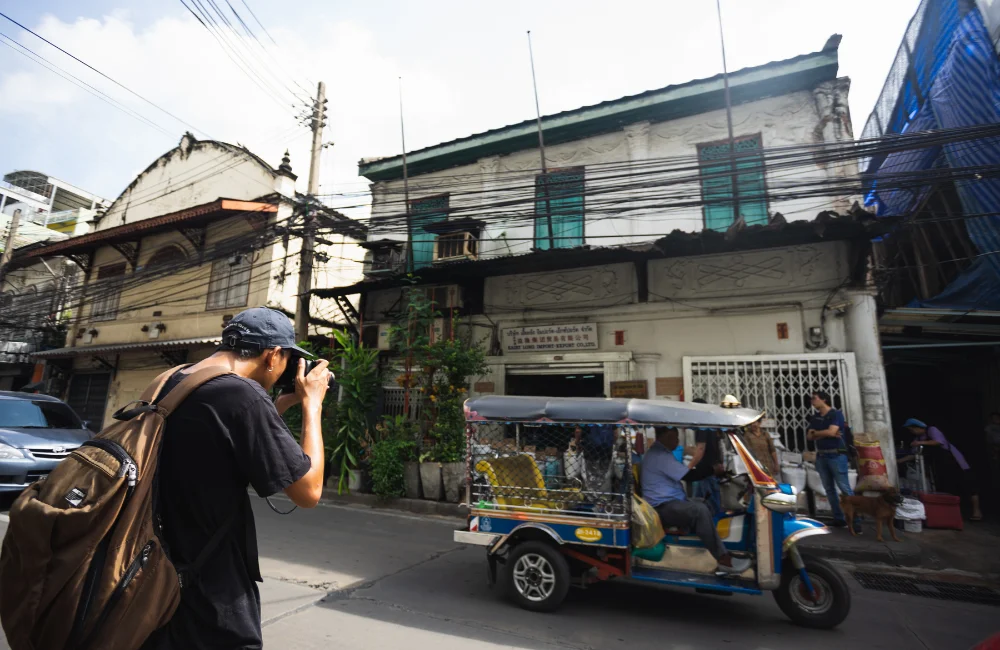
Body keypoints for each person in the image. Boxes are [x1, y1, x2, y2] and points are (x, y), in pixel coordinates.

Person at [142, 307, 332, 650]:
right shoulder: (243, 395)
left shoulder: (176, 379)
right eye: (288, 358)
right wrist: (312, 407)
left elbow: (223, 433)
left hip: (153, 572)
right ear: (272, 355)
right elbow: (309, 491)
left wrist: (283, 403)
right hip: (210, 587)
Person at [640, 426, 751, 574]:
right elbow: (689, 476)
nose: (678, 441)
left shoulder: (662, 453)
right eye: (675, 437)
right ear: (666, 436)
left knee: (705, 503)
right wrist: (713, 470)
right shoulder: (660, 455)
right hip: (662, 507)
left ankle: (712, 542)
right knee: (699, 510)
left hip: (672, 501)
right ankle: (723, 558)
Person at [903, 418, 982, 521]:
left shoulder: (932, 430)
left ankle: (977, 511)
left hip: (956, 462)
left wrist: (920, 443)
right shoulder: (918, 438)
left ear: (917, 427)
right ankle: (952, 514)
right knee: (950, 488)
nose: (911, 432)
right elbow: (913, 454)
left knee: (969, 486)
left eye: (911, 429)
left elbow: (938, 442)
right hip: (941, 465)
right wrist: (899, 461)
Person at [807, 391, 859, 530]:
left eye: (814, 398)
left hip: (836, 456)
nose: (812, 401)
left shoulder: (835, 414)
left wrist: (818, 433)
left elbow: (830, 432)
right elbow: (809, 436)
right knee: (829, 489)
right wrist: (825, 433)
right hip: (822, 456)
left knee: (844, 488)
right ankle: (839, 519)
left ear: (824, 399)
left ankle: (855, 521)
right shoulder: (815, 417)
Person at [688, 398, 722, 514]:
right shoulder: (711, 425)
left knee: (704, 506)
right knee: (714, 503)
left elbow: (700, 449)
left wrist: (688, 467)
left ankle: (710, 528)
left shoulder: (701, 425)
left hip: (704, 472)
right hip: (713, 470)